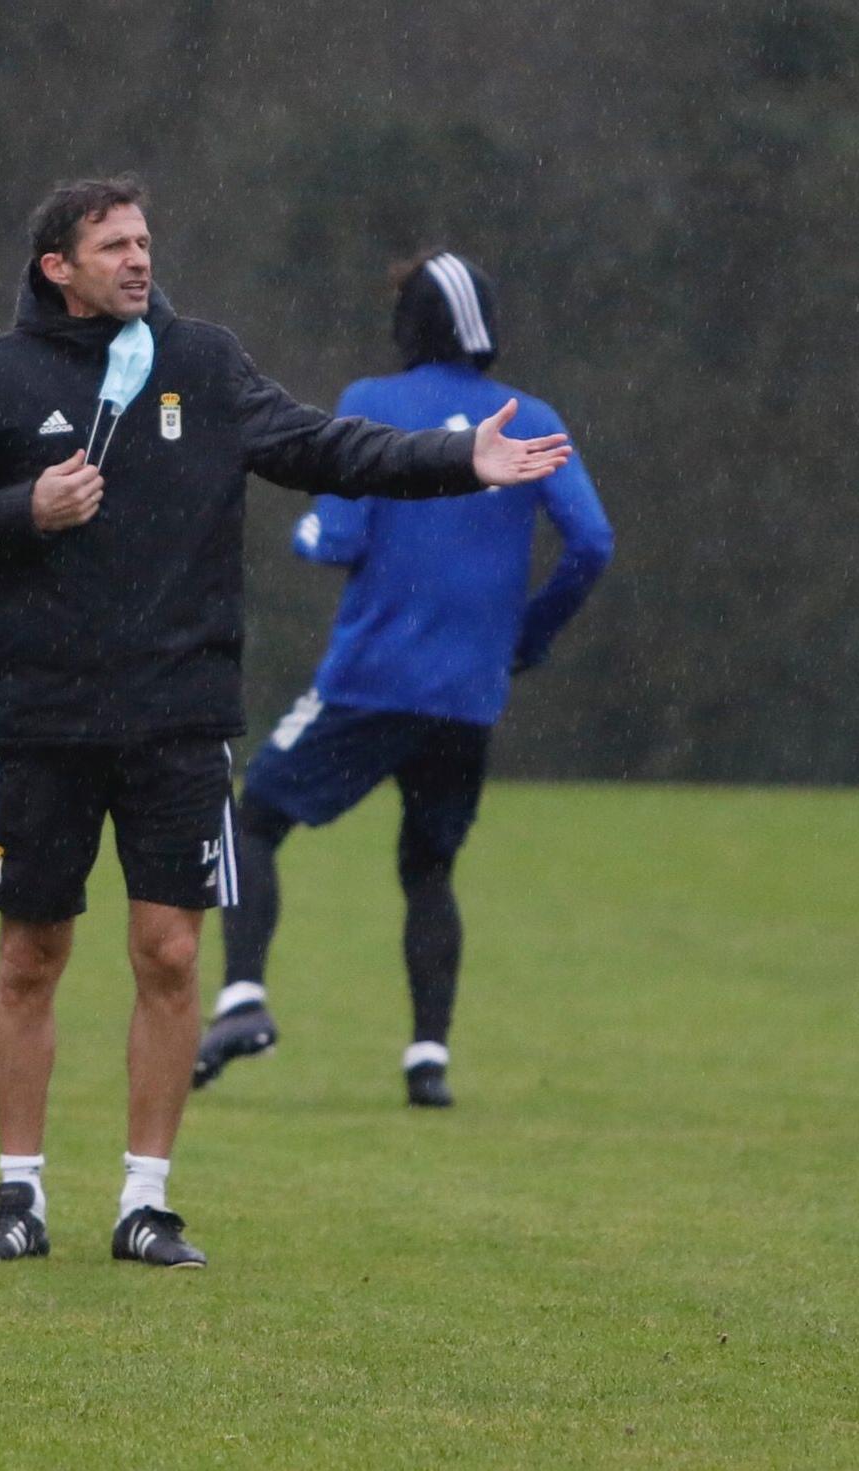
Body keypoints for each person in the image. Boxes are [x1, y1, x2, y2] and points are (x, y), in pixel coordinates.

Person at [0, 181, 571, 1269]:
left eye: (144, 241)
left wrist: (459, 462)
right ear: (54, 266)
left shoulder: (202, 363)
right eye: (111, 244)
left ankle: (144, 1202)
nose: (136, 259)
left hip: (177, 716)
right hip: (46, 717)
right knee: (31, 955)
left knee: (166, 954)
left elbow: (328, 448)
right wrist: (25, 509)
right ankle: (16, 1197)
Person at [193, 251, 614, 1108]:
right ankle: (428, 1060)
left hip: (371, 681)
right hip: (468, 695)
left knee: (254, 819)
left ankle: (241, 997)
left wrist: (305, 532)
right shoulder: (531, 417)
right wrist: (525, 635)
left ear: (409, 328)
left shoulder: (373, 404)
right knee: (427, 868)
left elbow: (337, 540)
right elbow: (593, 543)